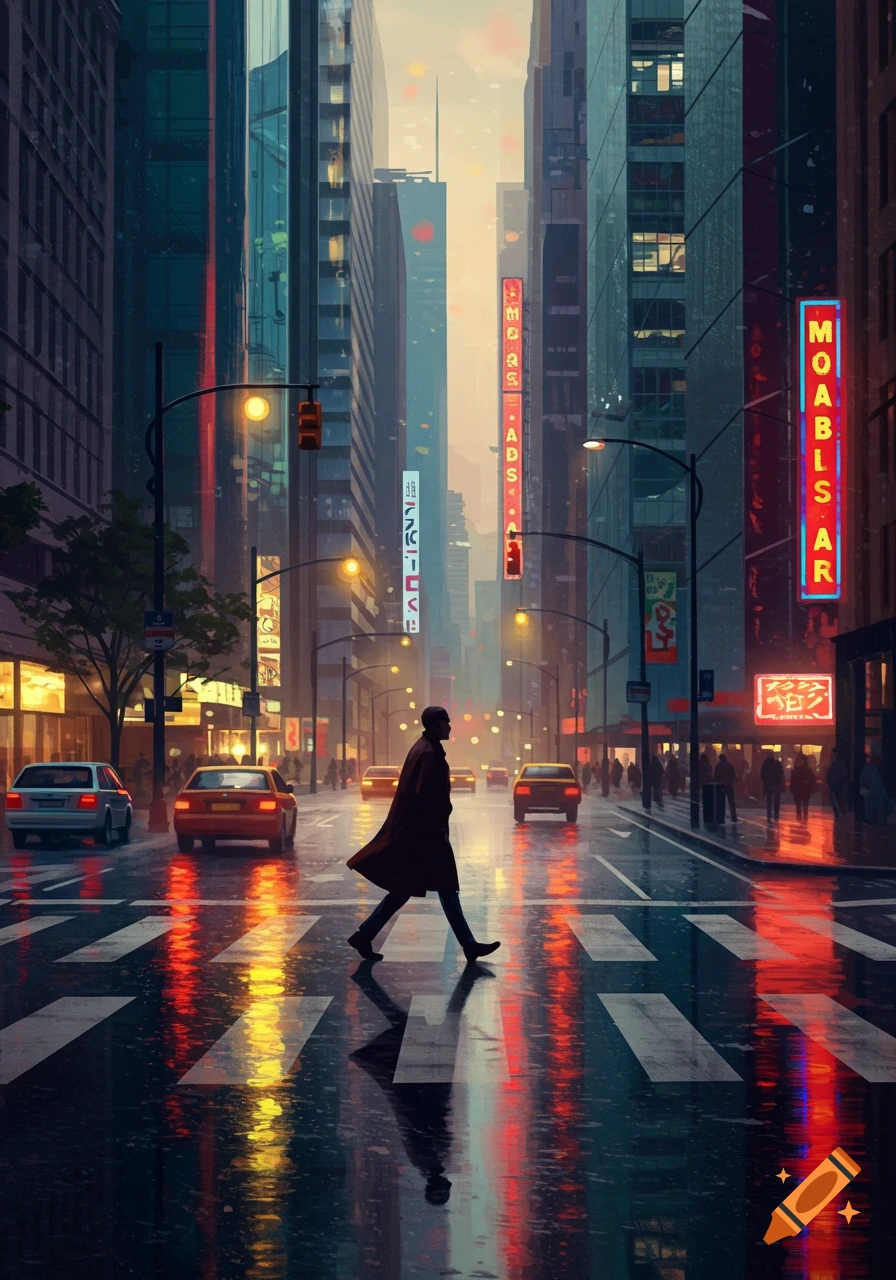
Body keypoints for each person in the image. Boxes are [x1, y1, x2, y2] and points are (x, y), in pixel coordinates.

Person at [346, 706, 501, 964]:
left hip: (421, 833)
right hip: (427, 836)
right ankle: (469, 945)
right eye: (446, 723)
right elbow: (425, 795)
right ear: (435, 725)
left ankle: (365, 935)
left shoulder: (424, 748)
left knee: (408, 889)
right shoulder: (429, 753)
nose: (450, 727)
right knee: (444, 889)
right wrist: (440, 817)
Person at [859, 754, 893, 825]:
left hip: (872, 793)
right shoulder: (875, 769)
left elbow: (864, 780)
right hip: (878, 794)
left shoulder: (869, 768)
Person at [789, 752, 816, 821]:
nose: (799, 761)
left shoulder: (807, 770)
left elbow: (811, 780)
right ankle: (800, 820)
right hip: (798, 791)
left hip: (805, 791)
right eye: (798, 760)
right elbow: (793, 781)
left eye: (800, 760)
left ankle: (803, 820)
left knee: (804, 806)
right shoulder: (796, 770)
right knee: (799, 806)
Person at [760, 751, 785, 823]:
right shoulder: (777, 764)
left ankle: (769, 816)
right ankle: (776, 815)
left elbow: (762, 776)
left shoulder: (765, 764)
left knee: (769, 801)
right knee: (776, 801)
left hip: (768, 785)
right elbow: (781, 774)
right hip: (776, 784)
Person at [714, 753, 738, 822]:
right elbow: (733, 776)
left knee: (721, 802)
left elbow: (716, 777)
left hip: (721, 786)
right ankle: (734, 817)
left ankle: (721, 817)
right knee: (731, 802)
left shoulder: (718, 767)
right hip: (729, 785)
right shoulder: (730, 766)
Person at [825, 749, 849, 819]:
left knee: (837, 804)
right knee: (837, 804)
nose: (830, 756)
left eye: (832, 755)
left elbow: (834, 777)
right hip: (836, 788)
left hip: (836, 788)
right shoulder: (839, 765)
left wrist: (832, 785)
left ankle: (840, 819)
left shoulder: (837, 766)